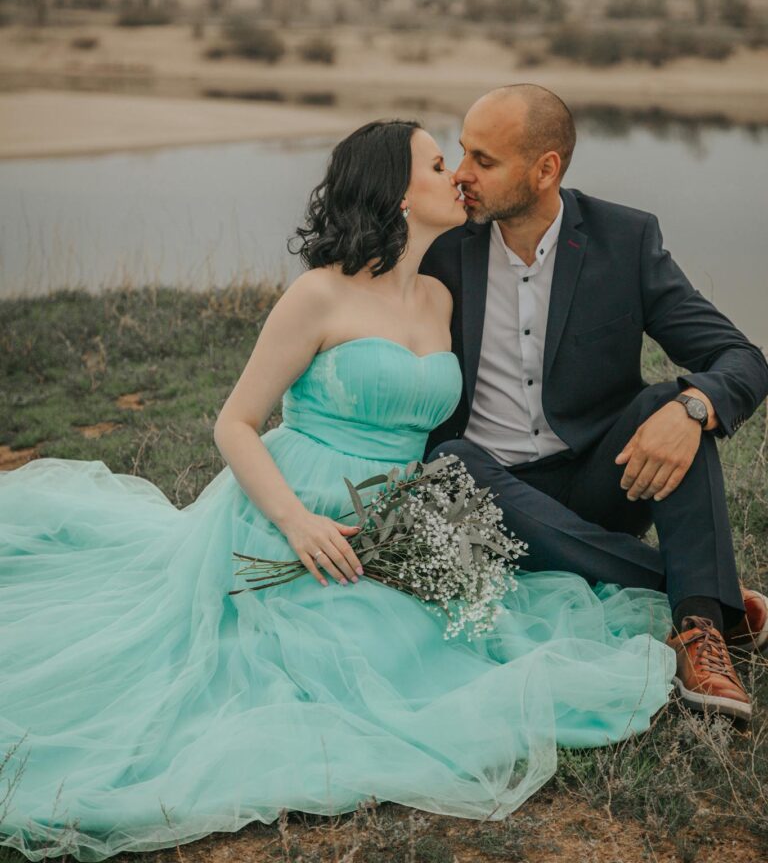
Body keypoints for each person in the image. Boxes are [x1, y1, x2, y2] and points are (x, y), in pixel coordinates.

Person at [0, 120, 676, 862]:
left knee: (467, 636)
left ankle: (691, 594)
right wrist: (295, 524)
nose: (456, 175)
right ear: (395, 189)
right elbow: (235, 424)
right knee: (349, 660)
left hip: (398, 510)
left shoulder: (440, 300)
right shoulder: (318, 296)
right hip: (300, 503)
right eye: (437, 162)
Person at [421, 85, 768, 723]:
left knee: (674, 402)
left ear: (546, 168)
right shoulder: (441, 250)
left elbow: (742, 359)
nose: (462, 175)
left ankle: (699, 641)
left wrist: (692, 410)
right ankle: (705, 598)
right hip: (488, 494)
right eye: (462, 152)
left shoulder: (624, 240)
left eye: (484, 160)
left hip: (598, 482)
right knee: (451, 460)